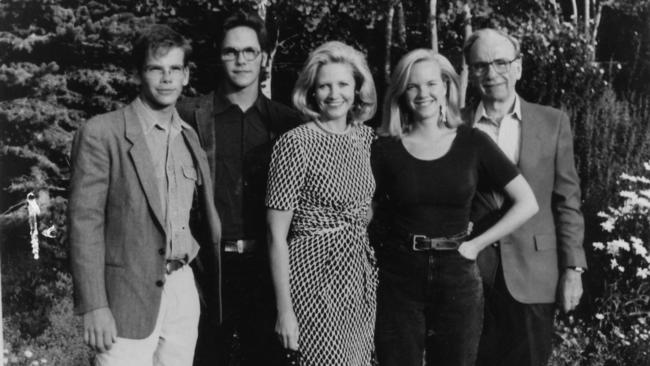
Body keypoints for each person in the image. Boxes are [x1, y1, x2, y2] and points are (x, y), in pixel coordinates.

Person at [371, 49, 539, 366]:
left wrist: (475, 246)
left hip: (458, 276)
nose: (423, 94)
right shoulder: (384, 148)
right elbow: (366, 210)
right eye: (412, 86)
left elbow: (527, 202)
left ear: (447, 86)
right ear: (401, 93)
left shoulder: (472, 142)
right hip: (399, 277)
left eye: (432, 83)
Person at [68, 24, 221, 366]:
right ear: (139, 73)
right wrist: (94, 305)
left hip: (182, 289)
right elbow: (84, 224)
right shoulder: (102, 133)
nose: (166, 79)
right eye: (156, 68)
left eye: (174, 69)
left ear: (185, 75)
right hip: (126, 296)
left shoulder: (189, 137)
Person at [177, 10, 299, 366]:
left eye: (250, 51)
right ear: (219, 55)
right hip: (206, 270)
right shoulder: (188, 115)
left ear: (264, 57)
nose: (241, 60)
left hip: (267, 268)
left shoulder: (287, 123)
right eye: (231, 51)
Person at [463, 28, 587, 366]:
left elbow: (567, 201)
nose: (492, 73)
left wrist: (573, 268)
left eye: (501, 62)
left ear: (518, 67)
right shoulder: (455, 127)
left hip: (535, 274)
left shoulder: (553, 123)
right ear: (470, 72)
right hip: (471, 274)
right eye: (481, 65)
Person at [265, 41, 378, 365]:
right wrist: (284, 311)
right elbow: (276, 236)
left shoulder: (367, 140)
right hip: (311, 277)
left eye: (343, 84)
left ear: (357, 88)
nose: (334, 94)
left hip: (358, 275)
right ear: (311, 91)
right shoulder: (295, 144)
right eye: (324, 85)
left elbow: (369, 209)